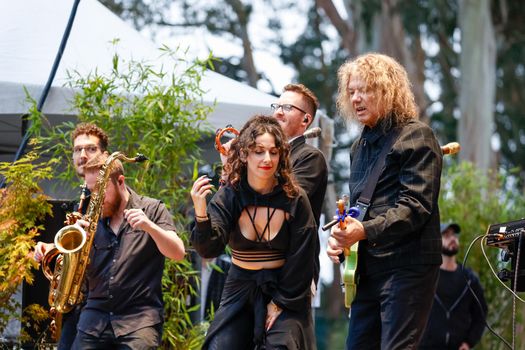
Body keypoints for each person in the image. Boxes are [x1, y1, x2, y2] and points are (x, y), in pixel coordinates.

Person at [327, 53, 443, 349]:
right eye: (351, 91)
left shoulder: (416, 136)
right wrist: (343, 242)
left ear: (388, 90)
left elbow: (415, 207)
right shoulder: (359, 147)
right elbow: (360, 212)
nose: (356, 98)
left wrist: (362, 231)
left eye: (365, 89)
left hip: (407, 268)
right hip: (367, 270)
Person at [191, 115, 317, 349]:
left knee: (280, 346)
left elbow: (303, 257)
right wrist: (201, 214)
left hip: (285, 289)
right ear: (244, 154)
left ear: (282, 156)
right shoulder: (229, 195)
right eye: (259, 151)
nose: (267, 159)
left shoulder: (296, 198)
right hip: (239, 287)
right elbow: (209, 248)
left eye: (273, 152)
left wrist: (279, 303)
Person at [71, 153, 185, 349]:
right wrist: (76, 243)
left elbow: (178, 253)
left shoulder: (152, 209)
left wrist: (150, 227)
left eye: (100, 190)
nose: (95, 199)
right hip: (94, 319)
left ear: (120, 181)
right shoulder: (87, 217)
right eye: (91, 191)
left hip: (139, 320)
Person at [32, 122, 109, 349]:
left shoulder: (110, 198)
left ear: (105, 155)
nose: (83, 155)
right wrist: (52, 248)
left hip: (104, 312)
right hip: (78, 306)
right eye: (77, 150)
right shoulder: (82, 199)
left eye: (91, 149)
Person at [420, 223, 487, 350]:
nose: (452, 238)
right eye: (446, 235)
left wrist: (469, 342)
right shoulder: (425, 277)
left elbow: (481, 315)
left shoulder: (470, 279)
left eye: (454, 235)